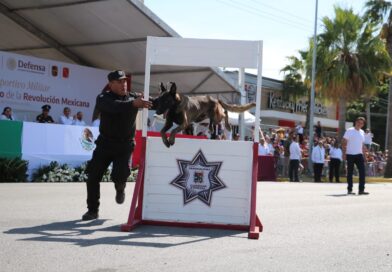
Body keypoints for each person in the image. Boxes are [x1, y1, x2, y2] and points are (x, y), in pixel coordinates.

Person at [82, 70, 152, 221]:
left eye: (125, 81)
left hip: (124, 146)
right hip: (105, 144)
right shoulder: (103, 98)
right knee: (93, 176)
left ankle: (120, 189)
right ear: (111, 84)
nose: (123, 84)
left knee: (120, 176)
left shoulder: (134, 97)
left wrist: (169, 98)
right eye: (119, 82)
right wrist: (134, 103)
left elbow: (152, 102)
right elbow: (114, 106)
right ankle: (92, 210)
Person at [342, 117, 368, 195]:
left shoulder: (362, 132)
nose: (360, 124)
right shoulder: (349, 130)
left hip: (359, 155)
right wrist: (344, 153)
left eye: (361, 123)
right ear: (355, 122)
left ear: (363, 125)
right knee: (350, 173)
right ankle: (350, 189)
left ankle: (361, 190)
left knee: (362, 172)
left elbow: (362, 145)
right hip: (350, 154)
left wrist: (365, 156)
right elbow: (343, 142)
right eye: (358, 122)